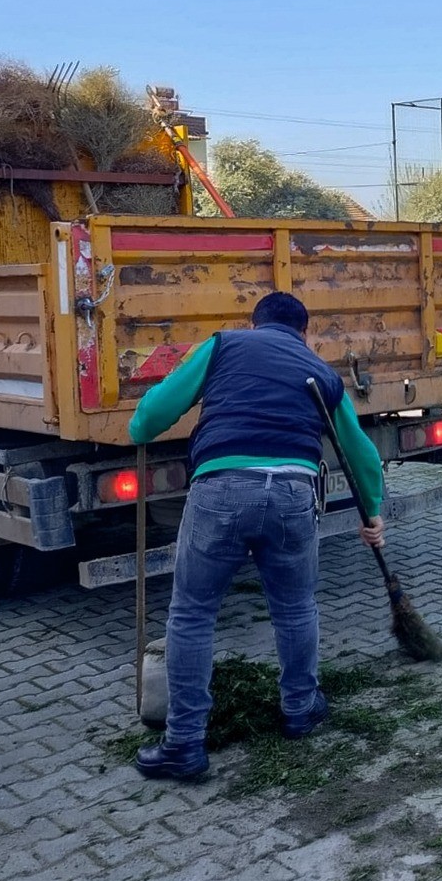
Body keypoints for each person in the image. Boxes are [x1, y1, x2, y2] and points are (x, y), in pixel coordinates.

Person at [130, 292, 387, 781]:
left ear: (256, 324)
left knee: (192, 613)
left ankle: (184, 743)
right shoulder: (320, 372)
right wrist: (371, 513)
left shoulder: (224, 345)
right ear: (305, 334)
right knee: (296, 607)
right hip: (292, 493)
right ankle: (300, 708)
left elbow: (154, 413)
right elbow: (359, 452)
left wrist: (140, 425)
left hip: (221, 488)